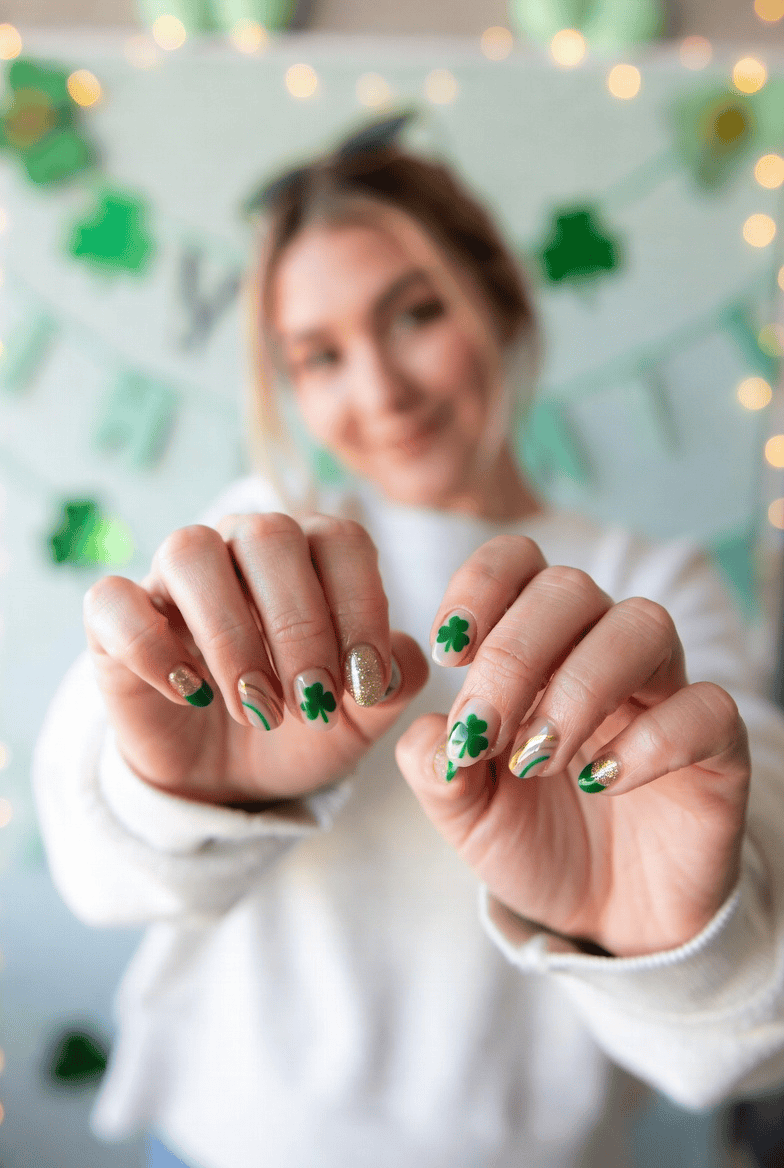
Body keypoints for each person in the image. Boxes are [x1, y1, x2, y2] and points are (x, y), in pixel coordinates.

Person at [32, 113, 784, 1168]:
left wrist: (672, 935)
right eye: (320, 355)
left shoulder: (655, 591)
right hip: (220, 1138)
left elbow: (757, 1015)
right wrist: (177, 786)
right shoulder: (259, 537)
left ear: (501, 301)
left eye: (415, 313)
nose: (382, 390)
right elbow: (94, 862)